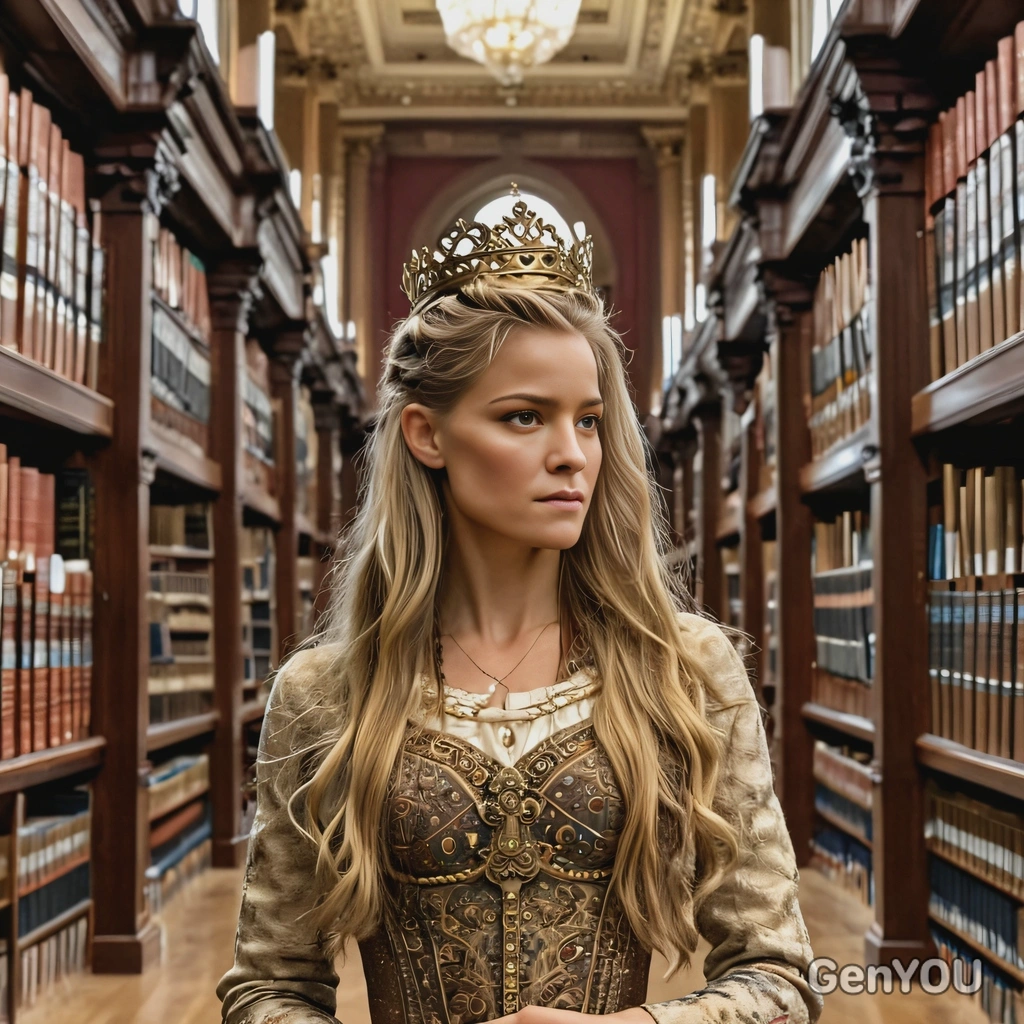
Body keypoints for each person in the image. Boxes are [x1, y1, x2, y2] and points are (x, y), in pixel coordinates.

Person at [216, 189, 824, 1024]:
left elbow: (780, 977)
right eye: (525, 417)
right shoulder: (324, 693)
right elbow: (267, 987)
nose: (572, 456)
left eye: (589, 421)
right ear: (428, 435)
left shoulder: (685, 670)